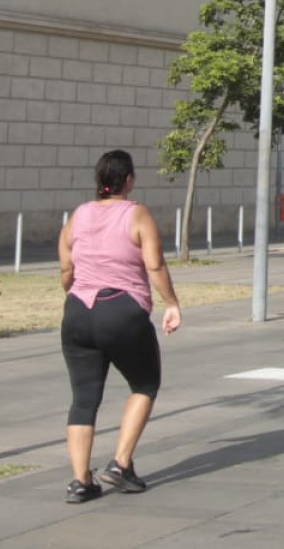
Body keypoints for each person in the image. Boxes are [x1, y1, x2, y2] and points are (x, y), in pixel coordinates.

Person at [57, 150, 181, 505]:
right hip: (122, 311)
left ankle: (80, 481)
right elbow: (154, 265)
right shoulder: (136, 214)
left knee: (84, 399)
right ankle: (121, 464)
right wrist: (171, 303)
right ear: (129, 180)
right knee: (144, 384)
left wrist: (77, 296)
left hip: (78, 312)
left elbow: (66, 269)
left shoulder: (78, 215)